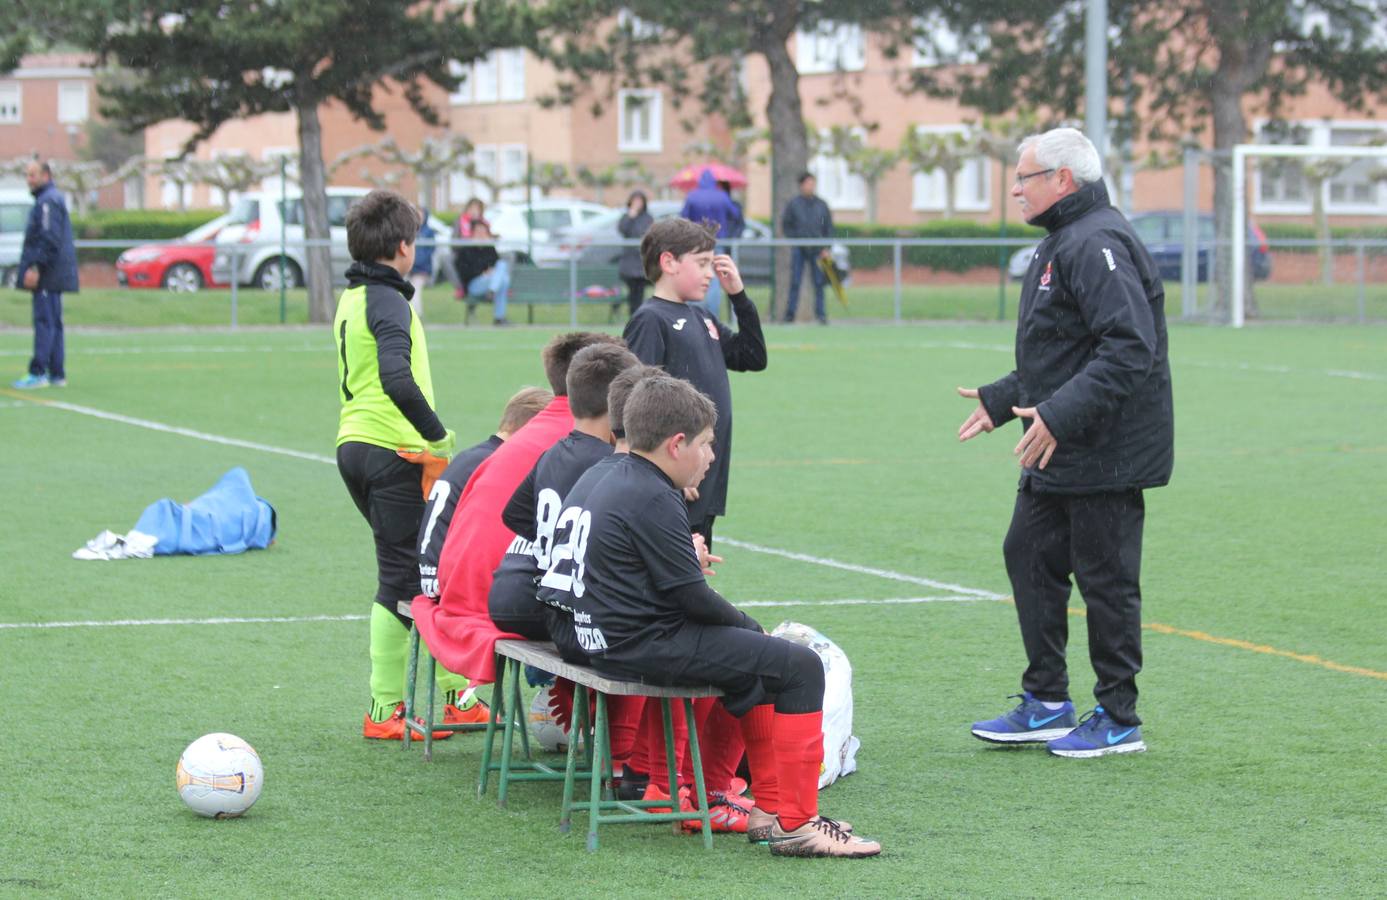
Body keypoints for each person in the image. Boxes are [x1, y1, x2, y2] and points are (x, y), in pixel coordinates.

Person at [537, 374, 881, 858]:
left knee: (758, 662)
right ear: (677, 444)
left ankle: (769, 812)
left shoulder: (604, 473)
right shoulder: (654, 493)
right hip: (633, 643)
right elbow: (693, 599)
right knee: (798, 665)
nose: (711, 456)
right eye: (706, 444)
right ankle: (798, 823)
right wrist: (748, 625)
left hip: (595, 635)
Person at [958, 127, 1174, 759]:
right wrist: (1005, 401)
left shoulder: (1097, 240)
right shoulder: (1065, 239)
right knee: (1028, 553)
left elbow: (1130, 348)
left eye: (1024, 177)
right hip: (1058, 443)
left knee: (1106, 580)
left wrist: (1057, 413)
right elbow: (1063, 353)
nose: (1015, 188)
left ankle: (1118, 716)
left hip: (1106, 449)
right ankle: (1047, 702)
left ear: (1062, 181)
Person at [410, 332, 624, 689]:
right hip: (493, 595)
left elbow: (515, 515)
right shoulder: (581, 440)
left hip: (465, 588)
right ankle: (581, 712)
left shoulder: (538, 431)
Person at [332, 190, 457, 741]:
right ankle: (385, 710)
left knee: (426, 571)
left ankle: (458, 695)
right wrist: (437, 435)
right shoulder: (388, 300)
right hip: (394, 451)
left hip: (357, 445)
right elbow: (396, 377)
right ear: (404, 247)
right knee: (406, 579)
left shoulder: (354, 295)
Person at [622, 217, 767, 548]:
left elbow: (753, 357)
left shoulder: (702, 317)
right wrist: (667, 471)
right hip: (675, 480)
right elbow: (638, 399)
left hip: (704, 476)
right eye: (701, 263)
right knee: (674, 581)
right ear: (669, 262)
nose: (709, 274)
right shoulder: (650, 319)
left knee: (693, 575)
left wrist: (739, 297)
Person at [487, 343, 638, 640]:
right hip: (551, 605)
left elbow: (514, 514)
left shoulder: (552, 452)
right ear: (617, 404)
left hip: (521, 595)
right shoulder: (605, 465)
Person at [417, 385, 552, 600]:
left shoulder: (470, 457)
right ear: (532, 428)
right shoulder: (500, 465)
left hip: (430, 574)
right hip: (451, 584)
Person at [12, 160, 79, 389]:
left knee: (45, 322)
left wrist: (35, 268)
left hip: (48, 275)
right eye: (27, 175)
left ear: (46, 175)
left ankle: (39, 371)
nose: (29, 180)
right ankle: (56, 373)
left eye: (33, 175)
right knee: (53, 322)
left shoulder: (48, 201)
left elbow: (49, 238)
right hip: (52, 274)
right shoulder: (47, 199)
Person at [679, 169, 740, 319]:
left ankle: (693, 315)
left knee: (693, 276)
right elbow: (735, 214)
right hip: (717, 242)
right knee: (713, 280)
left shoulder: (692, 196)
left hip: (695, 243)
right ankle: (713, 317)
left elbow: (683, 217)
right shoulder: (721, 196)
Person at [780, 172, 833, 325]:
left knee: (818, 282)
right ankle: (789, 315)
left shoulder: (821, 205)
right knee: (795, 281)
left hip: (817, 250)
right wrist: (796, 239)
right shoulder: (794, 204)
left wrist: (826, 247)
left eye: (812, 183)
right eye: (808, 183)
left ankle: (821, 315)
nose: (811, 186)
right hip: (800, 249)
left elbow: (828, 227)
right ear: (802, 185)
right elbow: (786, 225)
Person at [454, 220, 511, 326]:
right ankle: (499, 316)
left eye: (483, 232)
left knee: (503, 273)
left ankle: (492, 291)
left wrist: (491, 273)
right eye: (478, 231)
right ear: (472, 233)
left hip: (491, 282)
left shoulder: (489, 248)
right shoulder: (466, 249)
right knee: (503, 280)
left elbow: (495, 265)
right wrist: (483, 273)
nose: (481, 234)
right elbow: (464, 272)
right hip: (474, 285)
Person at [615, 190, 653, 319]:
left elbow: (648, 234)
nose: (637, 204)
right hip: (628, 262)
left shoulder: (647, 218)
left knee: (639, 292)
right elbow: (622, 229)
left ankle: (638, 316)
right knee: (631, 293)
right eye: (635, 201)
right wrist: (631, 216)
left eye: (639, 201)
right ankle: (632, 314)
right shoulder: (627, 217)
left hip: (641, 262)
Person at [406, 208, 437, 318]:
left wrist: (415, 263)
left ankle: (416, 315)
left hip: (421, 270)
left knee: (415, 289)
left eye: (421, 215)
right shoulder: (407, 231)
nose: (418, 217)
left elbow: (428, 253)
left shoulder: (429, 232)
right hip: (408, 269)